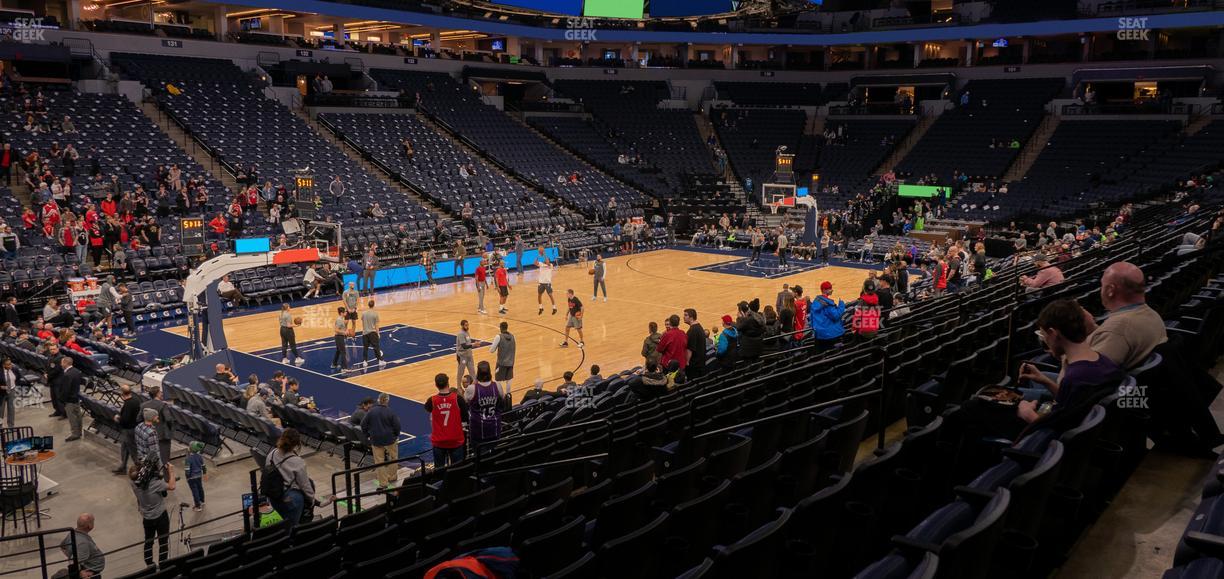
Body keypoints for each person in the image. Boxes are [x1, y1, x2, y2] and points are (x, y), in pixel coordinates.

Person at [1086, 262, 1167, 369]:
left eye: (1102, 285)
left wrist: (1068, 347)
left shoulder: (1116, 330)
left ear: (1110, 290)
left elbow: (1085, 379)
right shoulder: (1152, 314)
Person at [266, 428, 317, 532]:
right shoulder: (297, 461)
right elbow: (305, 486)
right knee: (292, 529)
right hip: (291, 500)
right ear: (297, 444)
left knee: (285, 525)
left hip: (273, 497)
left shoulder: (271, 454)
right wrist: (312, 500)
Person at [130, 461, 174, 567]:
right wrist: (171, 471)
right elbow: (172, 486)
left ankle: (149, 564)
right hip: (160, 516)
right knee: (163, 541)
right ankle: (163, 565)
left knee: (149, 541)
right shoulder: (155, 483)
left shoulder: (134, 484)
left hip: (147, 517)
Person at [424, 373, 467, 468]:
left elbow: (427, 408)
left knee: (439, 471)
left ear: (436, 385)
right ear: (448, 383)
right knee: (457, 469)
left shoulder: (432, 400)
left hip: (439, 441)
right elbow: (465, 418)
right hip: (456, 440)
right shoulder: (458, 399)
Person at [361, 393, 402, 490]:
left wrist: (368, 435)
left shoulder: (371, 412)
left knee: (379, 461)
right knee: (394, 458)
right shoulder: (391, 412)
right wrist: (395, 435)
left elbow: (363, 425)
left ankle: (383, 483)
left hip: (376, 440)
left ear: (378, 400)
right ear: (387, 401)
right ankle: (392, 477)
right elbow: (397, 426)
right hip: (390, 439)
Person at [465, 361, 505, 451]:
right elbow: (503, 399)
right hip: (494, 427)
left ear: (477, 373)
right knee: (494, 455)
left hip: (478, 430)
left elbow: (465, 402)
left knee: (479, 457)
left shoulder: (471, 388)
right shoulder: (497, 386)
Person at [58, 513, 105, 578]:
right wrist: (80, 572)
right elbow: (73, 562)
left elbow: (63, 546)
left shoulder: (72, 533)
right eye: (93, 521)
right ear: (89, 526)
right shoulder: (83, 543)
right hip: (91, 574)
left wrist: (71, 554)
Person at [810, 281, 846, 352]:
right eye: (829, 288)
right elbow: (836, 316)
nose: (831, 290)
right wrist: (841, 305)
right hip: (830, 335)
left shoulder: (815, 301)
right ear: (824, 290)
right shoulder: (827, 304)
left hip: (819, 334)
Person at [114, 384, 142, 474]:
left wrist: (118, 418)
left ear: (122, 394)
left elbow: (125, 420)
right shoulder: (136, 400)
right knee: (124, 448)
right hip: (134, 428)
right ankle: (123, 467)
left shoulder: (128, 404)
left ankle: (140, 469)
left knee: (133, 450)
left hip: (129, 430)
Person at [55, 356, 84, 441]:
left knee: (72, 418)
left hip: (69, 400)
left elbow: (65, 390)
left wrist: (61, 399)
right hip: (76, 397)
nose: (60, 364)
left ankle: (75, 434)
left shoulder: (67, 375)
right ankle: (79, 431)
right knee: (78, 416)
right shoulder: (76, 371)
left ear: (65, 363)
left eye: (61, 362)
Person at [488, 321, 517, 389]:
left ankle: (500, 396)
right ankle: (508, 395)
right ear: (507, 327)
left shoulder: (498, 337)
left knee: (498, 380)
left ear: (500, 328)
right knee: (509, 380)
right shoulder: (512, 336)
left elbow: (491, 350)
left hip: (501, 363)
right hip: (510, 362)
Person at [0, 358, 27, 429]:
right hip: (1, 393)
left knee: (11, 408)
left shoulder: (14, 369)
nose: (10, 365)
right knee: (1, 410)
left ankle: (11, 426)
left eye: (10, 363)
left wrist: (15, 385)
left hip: (12, 390)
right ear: (3, 365)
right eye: (8, 365)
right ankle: (0, 426)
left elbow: (19, 377)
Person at [683, 309, 707, 380]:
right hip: (700, 363)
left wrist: (687, 362)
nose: (683, 317)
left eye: (686, 315)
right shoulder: (699, 326)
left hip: (694, 366)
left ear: (691, 317)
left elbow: (689, 349)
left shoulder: (692, 331)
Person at [361, 299, 384, 367]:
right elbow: (376, 325)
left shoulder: (364, 313)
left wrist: (364, 329)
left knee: (365, 348)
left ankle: (365, 362)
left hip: (365, 333)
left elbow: (362, 321)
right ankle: (380, 361)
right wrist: (378, 333)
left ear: (368, 305)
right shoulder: (375, 314)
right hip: (372, 333)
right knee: (376, 347)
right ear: (374, 305)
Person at [185, 441, 207, 511]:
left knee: (195, 491)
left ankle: (198, 506)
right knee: (200, 488)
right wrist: (204, 473)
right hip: (199, 476)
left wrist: (187, 477)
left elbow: (187, 471)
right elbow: (203, 466)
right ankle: (202, 501)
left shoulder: (188, 459)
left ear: (190, 449)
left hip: (191, 477)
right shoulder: (200, 456)